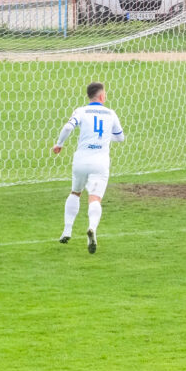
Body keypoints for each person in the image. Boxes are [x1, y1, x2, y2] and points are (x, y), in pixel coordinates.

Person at [53, 81, 124, 254]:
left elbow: (68, 127)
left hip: (81, 161)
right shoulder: (111, 113)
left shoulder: (81, 111)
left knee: (75, 193)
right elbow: (120, 138)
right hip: (100, 162)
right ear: (102, 96)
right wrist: (105, 137)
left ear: (89, 96)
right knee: (94, 198)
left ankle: (67, 230)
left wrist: (59, 144)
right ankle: (92, 228)